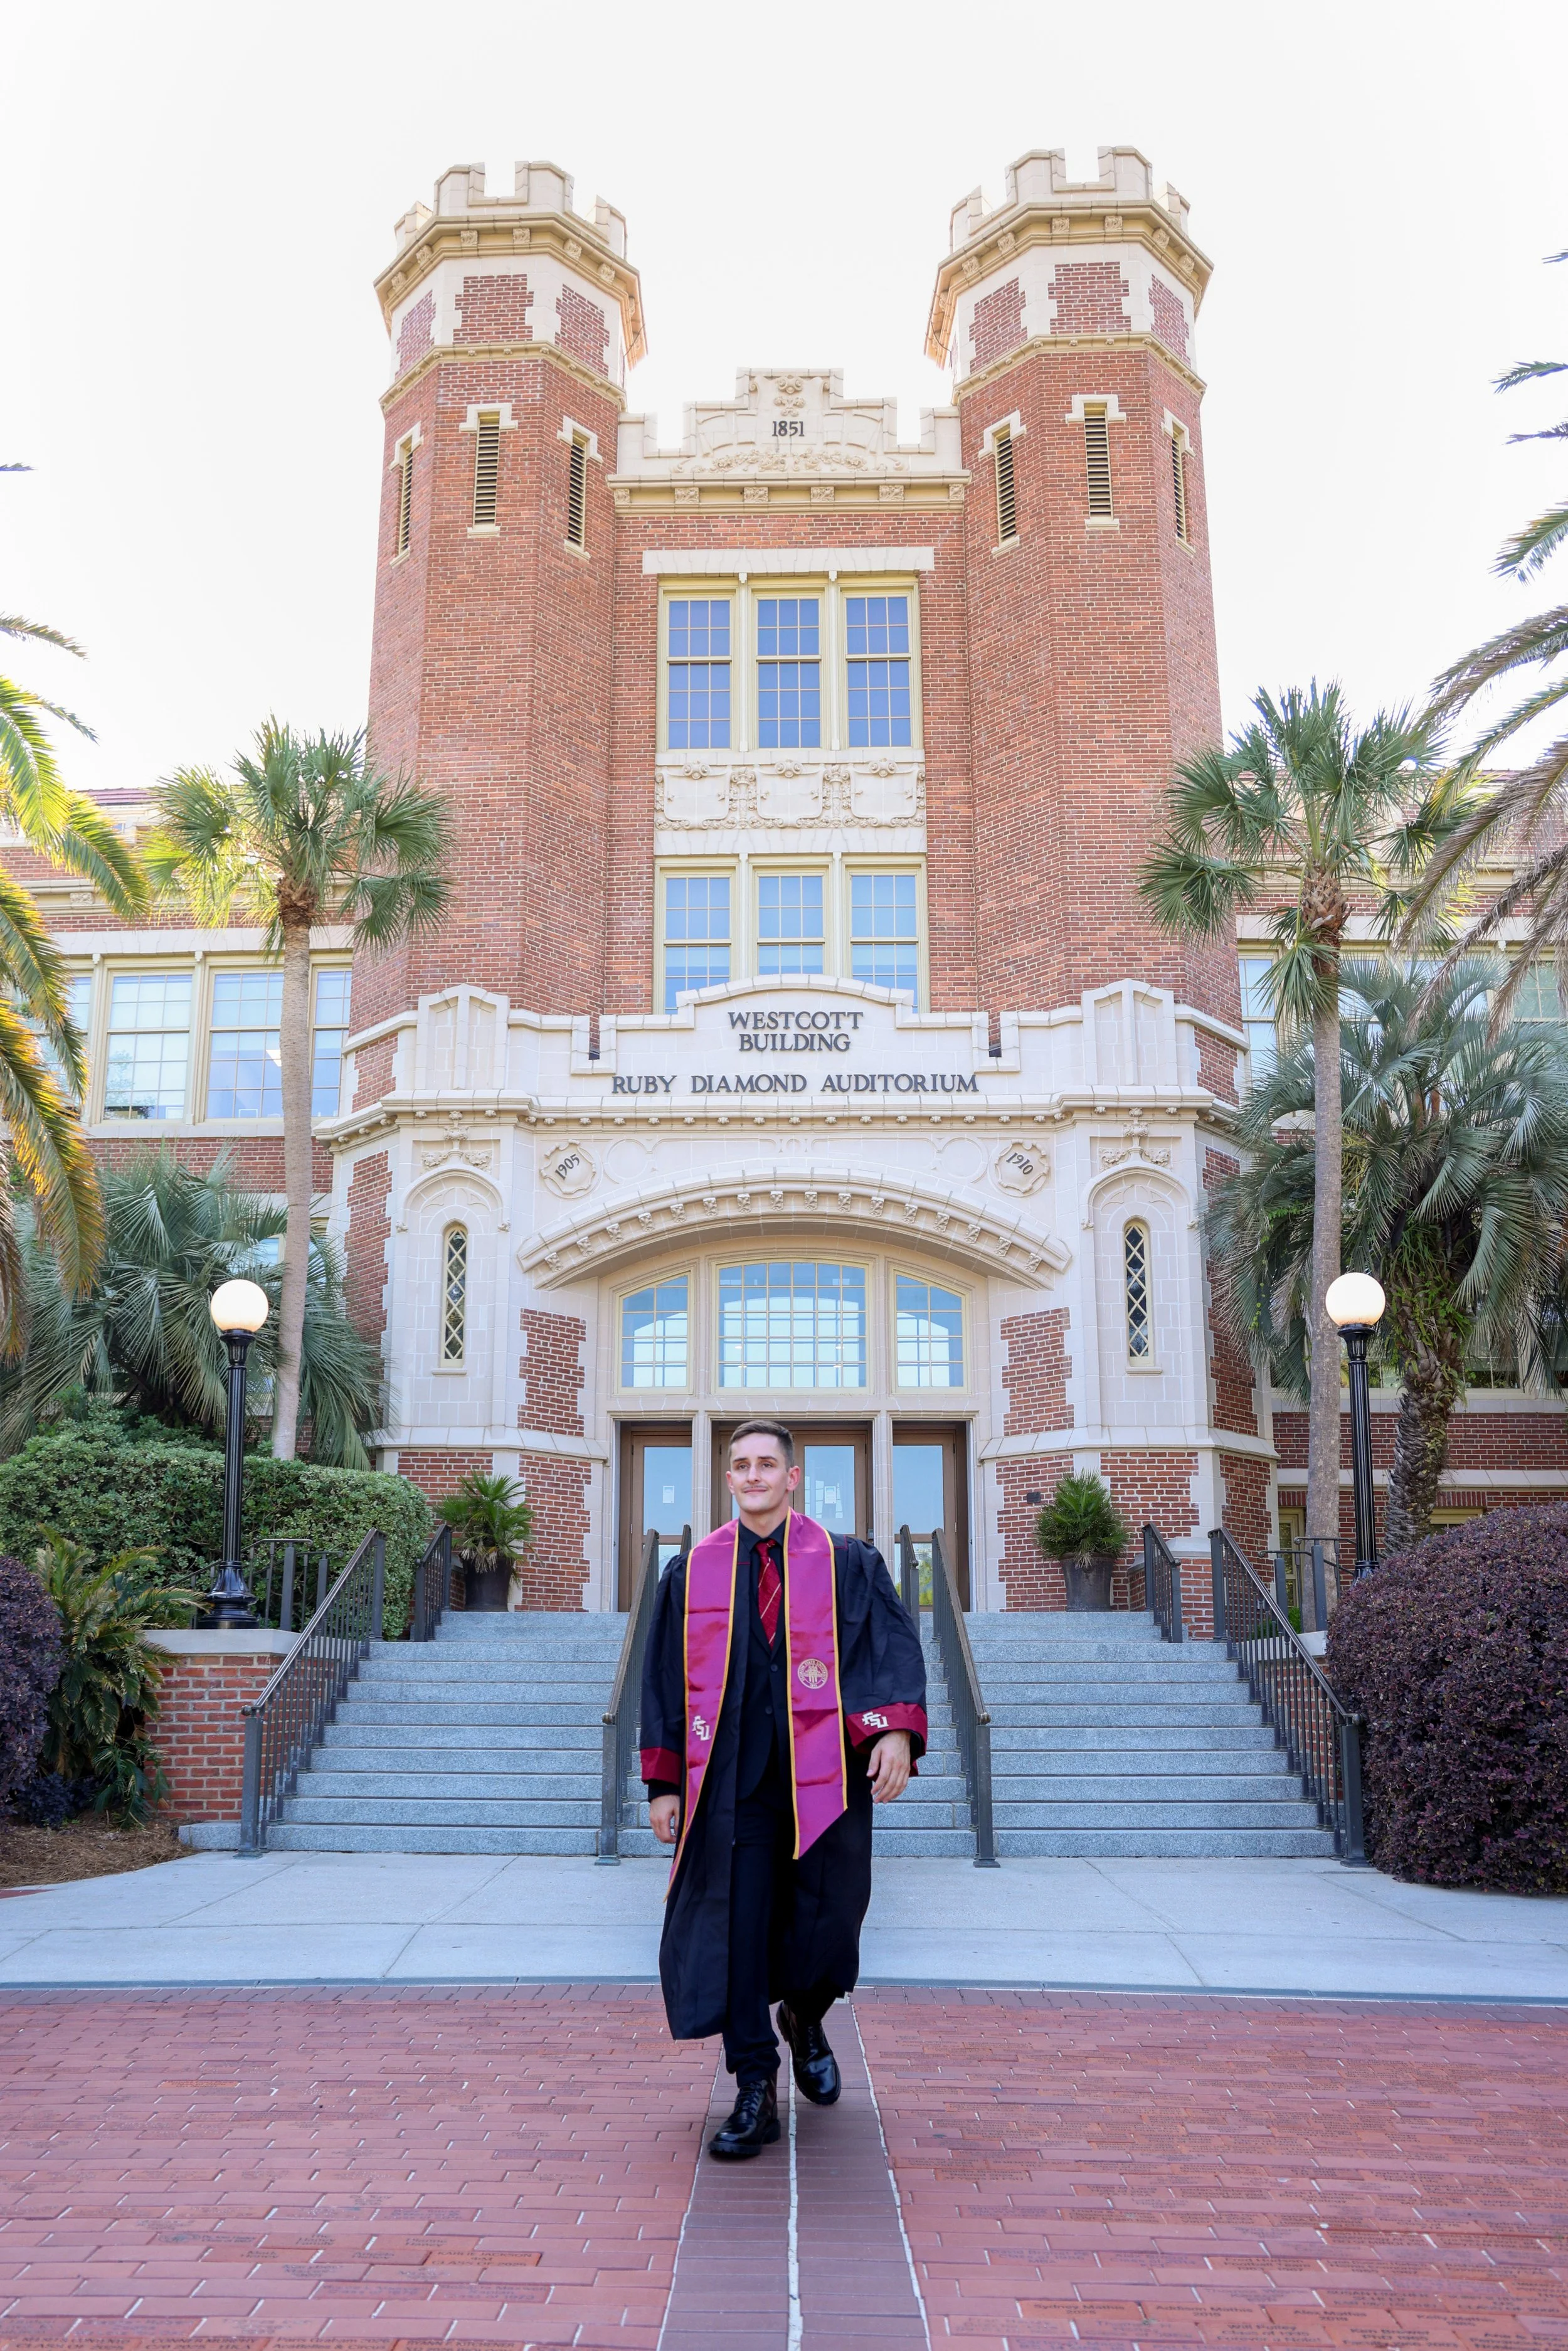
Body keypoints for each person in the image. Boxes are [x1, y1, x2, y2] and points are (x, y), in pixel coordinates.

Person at [640, 1418, 928, 2160]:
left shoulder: (846, 1562)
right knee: (735, 1928)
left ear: (793, 1477)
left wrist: (894, 1730)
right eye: (741, 1465)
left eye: (768, 1463)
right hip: (730, 1780)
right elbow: (665, 1681)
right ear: (729, 1479)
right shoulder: (692, 1571)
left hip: (825, 1774)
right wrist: (664, 1781)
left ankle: (804, 2012)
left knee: (833, 1915)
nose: (755, 1475)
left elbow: (889, 1645)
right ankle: (753, 2084)